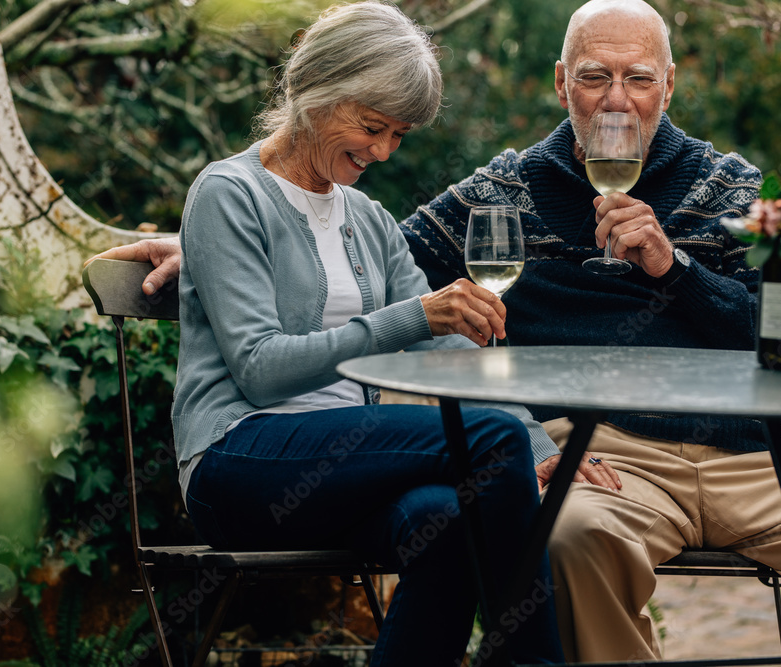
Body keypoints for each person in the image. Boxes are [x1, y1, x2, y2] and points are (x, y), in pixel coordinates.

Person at [93, 0, 781, 662]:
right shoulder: (490, 191)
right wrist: (200, 243)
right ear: (560, 83)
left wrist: (675, 272)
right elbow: (307, 320)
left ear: (668, 87)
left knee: (447, 518)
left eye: (638, 79)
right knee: (505, 453)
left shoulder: (739, 188)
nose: (616, 99)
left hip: (754, 456)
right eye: (595, 76)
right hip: (275, 449)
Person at [96, 2, 611, 665]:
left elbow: (447, 347)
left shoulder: (367, 218)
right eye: (372, 126)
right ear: (317, 90)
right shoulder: (228, 193)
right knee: (489, 439)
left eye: (398, 135)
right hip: (238, 462)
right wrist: (414, 317)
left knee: (448, 522)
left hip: (345, 474)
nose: (382, 150)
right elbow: (259, 367)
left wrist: (538, 441)